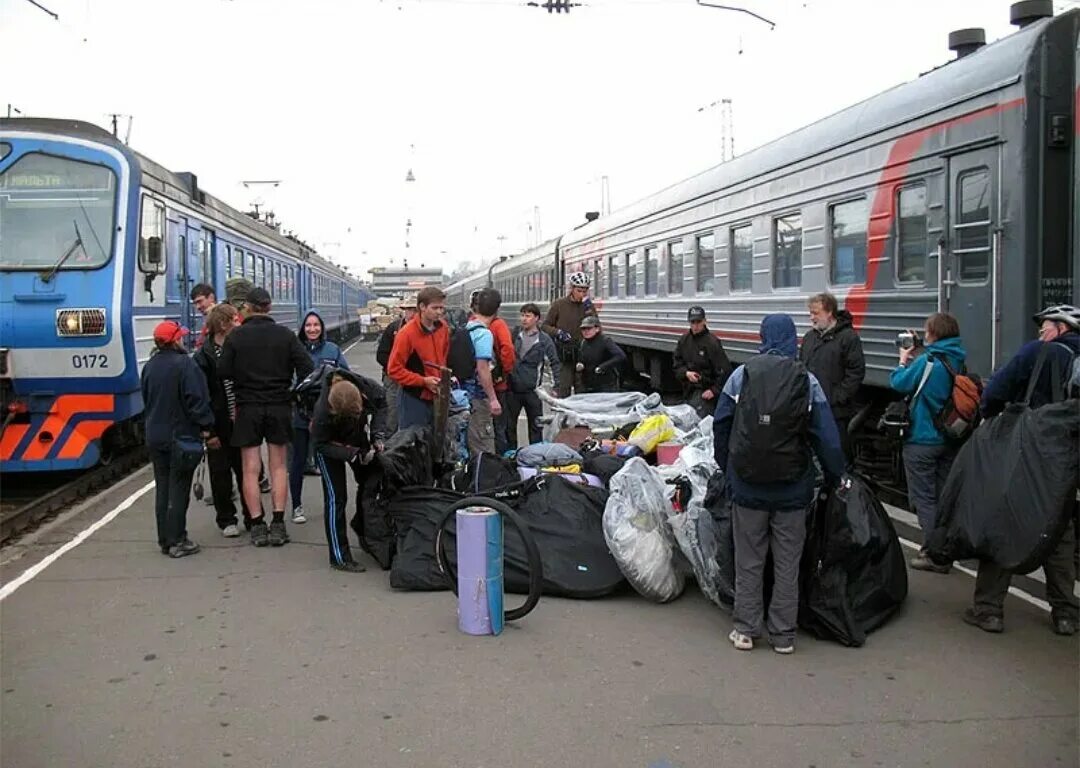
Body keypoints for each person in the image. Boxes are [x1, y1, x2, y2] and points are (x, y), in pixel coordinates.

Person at [713, 314, 846, 654]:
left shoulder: (740, 376)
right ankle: (784, 635)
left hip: (748, 487)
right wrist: (835, 476)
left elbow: (721, 425)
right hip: (792, 489)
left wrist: (728, 468)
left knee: (749, 559)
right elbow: (826, 438)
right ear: (793, 340)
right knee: (788, 562)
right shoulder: (808, 381)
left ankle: (745, 629)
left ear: (762, 337)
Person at [962, 304, 1080, 636]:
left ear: (1060, 328)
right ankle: (1065, 614)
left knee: (1007, 523)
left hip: (1031, 456)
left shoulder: (1038, 353)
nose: (1040, 332)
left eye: (1044, 327)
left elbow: (996, 392)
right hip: (1067, 462)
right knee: (1059, 529)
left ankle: (989, 610)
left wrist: (991, 416)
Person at [218, 287, 314, 547]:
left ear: (247, 307)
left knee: (250, 468)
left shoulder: (236, 337)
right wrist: (289, 387)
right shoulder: (285, 335)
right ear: (269, 307)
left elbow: (223, 371)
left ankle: (258, 525)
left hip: (247, 406)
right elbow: (307, 367)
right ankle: (279, 523)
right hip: (279, 405)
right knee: (278, 465)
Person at [888, 312, 967, 573]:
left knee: (924, 499)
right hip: (950, 438)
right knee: (944, 498)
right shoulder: (958, 359)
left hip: (922, 439)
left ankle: (934, 554)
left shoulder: (928, 362)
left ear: (933, 333)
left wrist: (902, 361)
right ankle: (946, 547)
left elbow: (899, 383)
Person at [141, 320, 218, 558]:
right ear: (175, 340)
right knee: (178, 489)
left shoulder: (150, 366)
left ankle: (164, 539)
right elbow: (196, 399)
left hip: (155, 436)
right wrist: (207, 427)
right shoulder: (185, 365)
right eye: (180, 337)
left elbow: (146, 398)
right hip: (179, 437)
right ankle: (177, 540)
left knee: (162, 488)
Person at [193, 303, 261, 537]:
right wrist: (207, 431)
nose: (238, 323)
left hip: (241, 421)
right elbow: (201, 396)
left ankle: (253, 517)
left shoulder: (240, 347)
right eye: (234, 320)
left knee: (247, 471)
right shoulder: (203, 357)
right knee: (220, 474)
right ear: (222, 325)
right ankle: (226, 519)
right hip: (218, 424)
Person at [311, 373, 389, 572]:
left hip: (357, 436)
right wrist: (352, 454)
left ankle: (366, 532)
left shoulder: (370, 388)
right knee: (336, 498)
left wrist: (378, 435)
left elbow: (382, 405)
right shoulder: (322, 412)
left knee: (369, 482)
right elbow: (320, 444)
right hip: (329, 444)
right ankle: (339, 556)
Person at [290, 310, 351, 525]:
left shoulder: (332, 350)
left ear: (322, 327)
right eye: (308, 325)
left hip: (326, 416)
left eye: (316, 325)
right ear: (302, 328)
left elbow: (346, 375)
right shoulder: (294, 349)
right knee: (297, 461)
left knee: (327, 460)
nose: (312, 329)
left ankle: (331, 502)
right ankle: (296, 505)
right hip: (300, 415)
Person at [799, 293, 866, 464]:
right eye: (810, 313)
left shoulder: (848, 338)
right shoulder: (810, 338)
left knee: (837, 453)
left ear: (829, 312)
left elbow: (856, 372)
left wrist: (836, 397)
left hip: (836, 411)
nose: (811, 317)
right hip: (811, 407)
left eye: (816, 313)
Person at [387, 286, 450, 430]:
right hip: (413, 398)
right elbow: (394, 370)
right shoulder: (406, 334)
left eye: (441, 308)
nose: (439, 312)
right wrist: (423, 381)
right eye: (435, 308)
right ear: (422, 306)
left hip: (437, 395)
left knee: (436, 443)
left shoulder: (443, 328)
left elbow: (443, 357)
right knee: (412, 444)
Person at [507, 303, 560, 449]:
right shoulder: (514, 335)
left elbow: (554, 363)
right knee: (510, 427)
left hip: (533, 391)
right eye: (522, 315)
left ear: (537, 318)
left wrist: (556, 386)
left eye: (528, 316)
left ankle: (534, 457)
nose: (524, 319)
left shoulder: (544, 340)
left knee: (536, 428)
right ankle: (511, 458)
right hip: (513, 389)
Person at [462, 288, 504, 456]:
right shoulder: (483, 334)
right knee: (483, 447)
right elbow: (482, 368)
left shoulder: (467, 327)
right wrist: (493, 399)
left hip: (463, 396)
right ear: (496, 309)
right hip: (478, 397)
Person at [543, 271, 597, 397]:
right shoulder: (559, 304)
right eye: (579, 290)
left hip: (583, 354)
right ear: (571, 289)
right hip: (565, 354)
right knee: (563, 389)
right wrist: (558, 332)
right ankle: (563, 414)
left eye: (585, 291)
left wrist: (590, 311)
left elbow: (596, 326)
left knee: (583, 391)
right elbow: (545, 326)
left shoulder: (587, 306)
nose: (582, 294)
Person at [673, 306, 733, 419]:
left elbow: (726, 370)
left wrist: (714, 390)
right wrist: (686, 373)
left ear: (705, 321)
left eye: (698, 322)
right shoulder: (683, 341)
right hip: (688, 391)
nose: (695, 325)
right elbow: (677, 364)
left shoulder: (712, 343)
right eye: (692, 322)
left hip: (706, 393)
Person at [375, 294, 418, 435]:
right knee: (391, 416)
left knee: (413, 419)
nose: (411, 314)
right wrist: (396, 369)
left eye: (414, 310)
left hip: (415, 382)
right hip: (393, 380)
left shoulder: (426, 332)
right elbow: (381, 355)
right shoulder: (393, 328)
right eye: (408, 310)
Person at [576, 316, 625, 393]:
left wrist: (602, 367)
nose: (586, 331)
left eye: (589, 328)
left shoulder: (605, 341)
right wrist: (580, 364)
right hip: (589, 384)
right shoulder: (583, 343)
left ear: (597, 329)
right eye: (583, 329)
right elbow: (582, 358)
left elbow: (620, 356)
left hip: (606, 384)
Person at [190, 283, 217, 350]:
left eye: (200, 301)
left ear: (211, 297)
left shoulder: (223, 321)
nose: (197, 307)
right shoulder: (208, 321)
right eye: (195, 303)